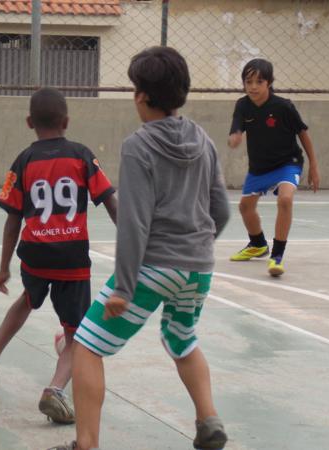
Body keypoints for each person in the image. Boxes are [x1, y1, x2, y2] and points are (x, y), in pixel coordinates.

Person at [50, 46, 230, 450]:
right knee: (182, 338)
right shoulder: (202, 139)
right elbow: (219, 209)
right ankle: (208, 420)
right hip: (199, 268)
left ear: (143, 96)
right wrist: (196, 251)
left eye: (135, 89)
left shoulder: (139, 145)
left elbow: (134, 222)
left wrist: (124, 287)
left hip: (153, 267)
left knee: (86, 345)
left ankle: (86, 443)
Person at [0, 87, 117, 425]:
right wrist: (132, 241)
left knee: (27, 298)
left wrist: (4, 267)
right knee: (77, 334)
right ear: (66, 121)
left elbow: (12, 219)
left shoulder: (23, 161)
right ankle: (55, 390)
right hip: (71, 257)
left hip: (34, 253)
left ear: (29, 122)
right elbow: (111, 202)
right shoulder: (81, 155)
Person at [228, 58, 320, 277]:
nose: (253, 87)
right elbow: (236, 129)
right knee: (245, 208)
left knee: (285, 200)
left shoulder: (283, 106)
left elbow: (303, 133)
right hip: (259, 167)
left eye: (259, 82)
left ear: (269, 83)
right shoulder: (243, 105)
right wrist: (235, 137)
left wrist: (314, 166)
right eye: (248, 82)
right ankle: (258, 244)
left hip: (288, 163)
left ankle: (277, 256)